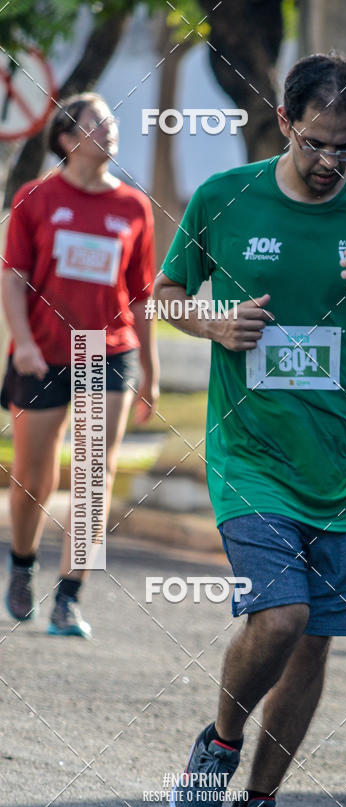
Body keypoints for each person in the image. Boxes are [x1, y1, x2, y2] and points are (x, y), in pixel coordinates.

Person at [154, 52, 346, 807]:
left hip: (345, 469)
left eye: (344, 148)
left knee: (312, 639)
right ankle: (218, 746)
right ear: (284, 123)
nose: (329, 163)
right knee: (278, 617)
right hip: (250, 456)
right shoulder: (226, 199)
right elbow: (166, 296)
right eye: (316, 143)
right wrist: (212, 326)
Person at [2, 92, 158, 638]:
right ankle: (22, 564)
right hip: (41, 352)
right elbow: (14, 277)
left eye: (112, 123)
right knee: (32, 479)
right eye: (97, 124)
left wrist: (151, 371)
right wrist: (21, 343)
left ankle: (70, 595)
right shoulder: (36, 197)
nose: (110, 131)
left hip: (107, 349)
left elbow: (140, 296)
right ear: (68, 139)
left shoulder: (134, 207)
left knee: (95, 473)